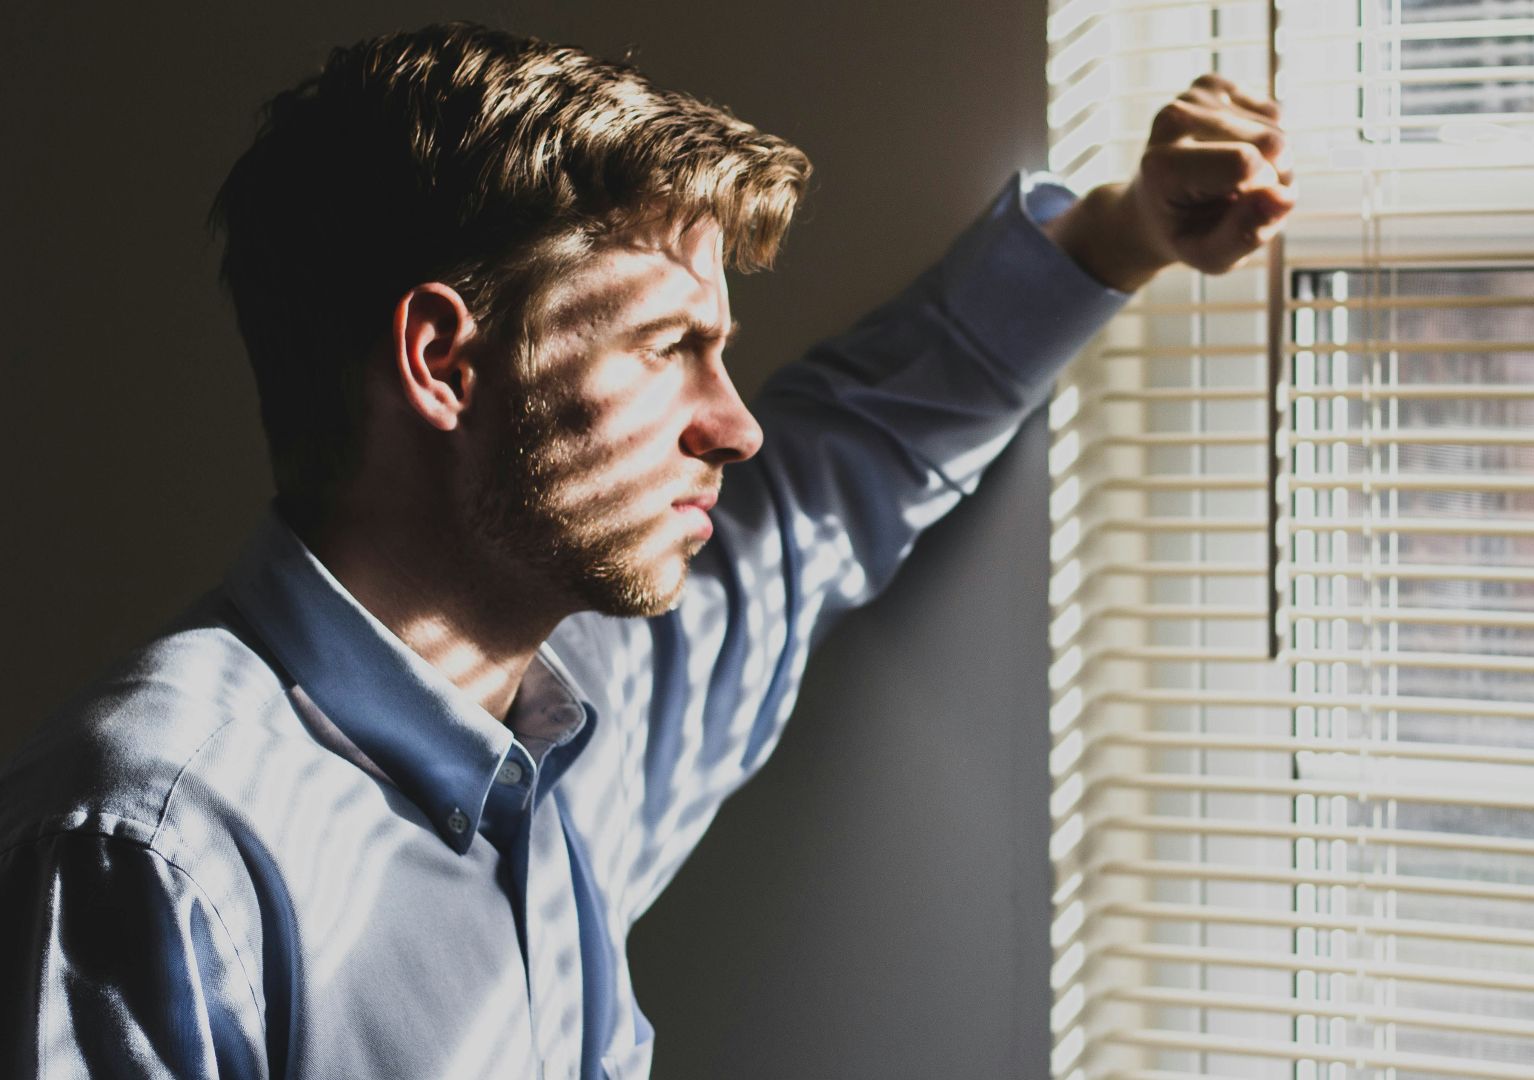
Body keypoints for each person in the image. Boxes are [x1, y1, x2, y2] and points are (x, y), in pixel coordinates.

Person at [0, 22, 1292, 1080]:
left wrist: (1122, 235)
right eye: (672, 348)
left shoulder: (585, 721)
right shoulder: (150, 846)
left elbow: (839, 472)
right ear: (444, 362)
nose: (734, 424)